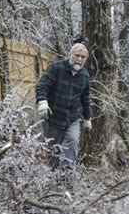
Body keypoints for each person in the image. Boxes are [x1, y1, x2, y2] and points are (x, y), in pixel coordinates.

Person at [35, 43, 92, 177]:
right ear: (70, 55)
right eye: (77, 55)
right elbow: (42, 85)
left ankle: (68, 177)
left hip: (72, 118)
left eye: (82, 57)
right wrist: (42, 101)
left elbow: (85, 98)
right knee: (53, 150)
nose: (79, 59)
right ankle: (52, 178)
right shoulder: (56, 68)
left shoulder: (84, 75)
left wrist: (87, 118)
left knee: (72, 142)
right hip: (53, 117)